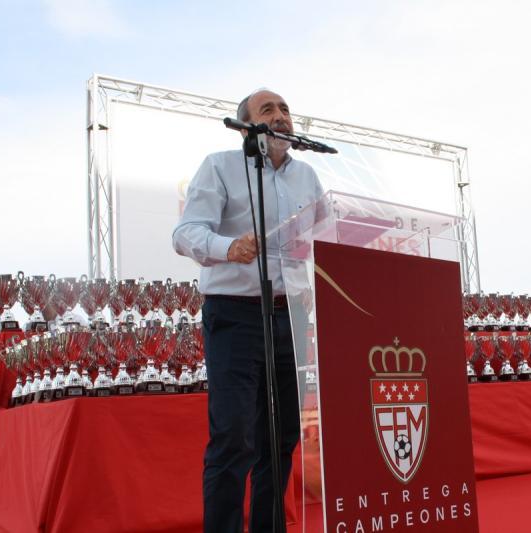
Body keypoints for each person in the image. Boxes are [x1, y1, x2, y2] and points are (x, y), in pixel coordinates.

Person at [172, 89, 323, 533]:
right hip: (235, 315)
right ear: (245, 126)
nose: (280, 116)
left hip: (291, 316)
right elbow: (185, 233)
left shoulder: (307, 176)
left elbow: (326, 235)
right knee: (234, 438)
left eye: (285, 109)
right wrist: (228, 247)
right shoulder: (220, 166)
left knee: (282, 437)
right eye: (267, 110)